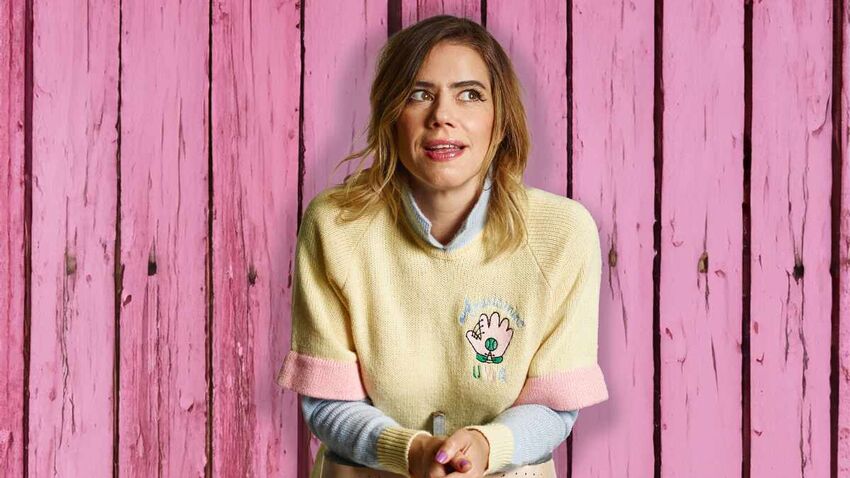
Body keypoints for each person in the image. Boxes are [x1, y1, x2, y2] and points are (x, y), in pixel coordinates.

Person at [277, 14, 609, 478]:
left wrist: (484, 446)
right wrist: (411, 453)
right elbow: (329, 405)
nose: (442, 116)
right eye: (419, 94)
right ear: (392, 116)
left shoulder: (564, 234)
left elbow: (553, 407)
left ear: (500, 120)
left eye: (470, 94)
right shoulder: (335, 226)